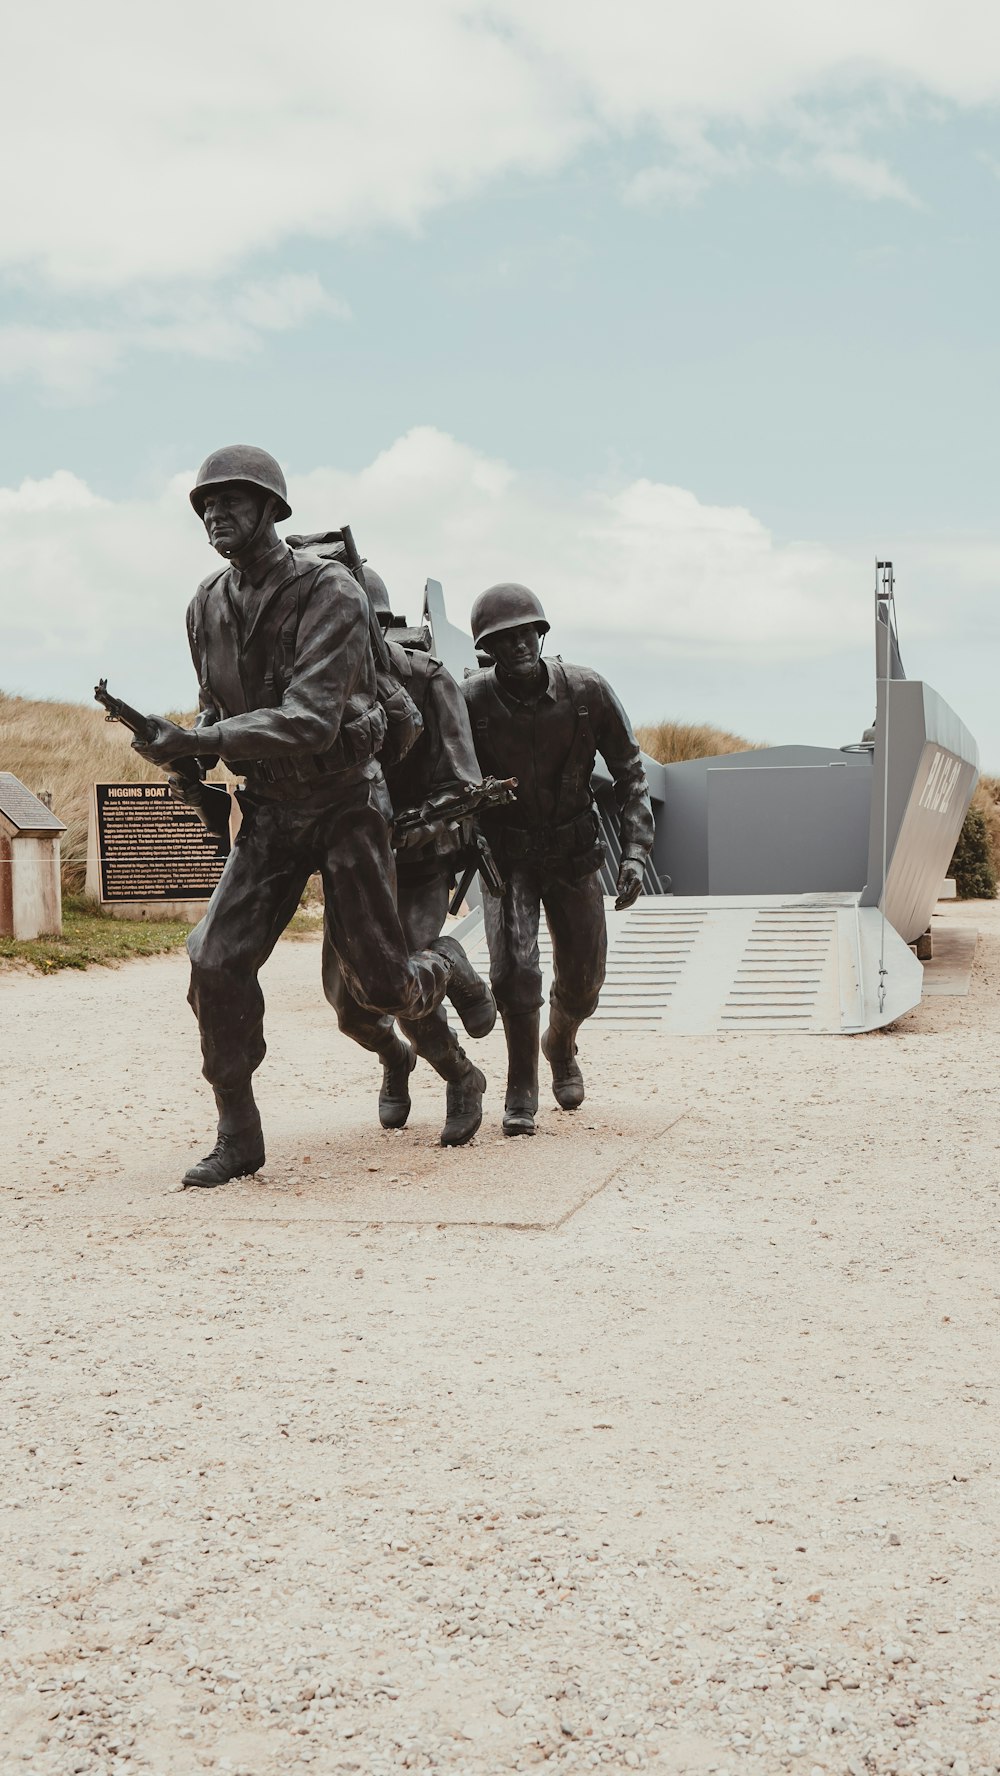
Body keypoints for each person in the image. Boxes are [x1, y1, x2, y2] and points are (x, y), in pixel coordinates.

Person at [131, 445, 493, 1186]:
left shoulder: (330, 592)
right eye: (205, 505)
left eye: (231, 501)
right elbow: (218, 705)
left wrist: (205, 737)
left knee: (381, 985)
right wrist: (184, 752)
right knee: (213, 960)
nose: (214, 515)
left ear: (271, 508)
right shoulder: (205, 603)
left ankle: (446, 972)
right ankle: (240, 1133)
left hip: (345, 804)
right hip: (270, 808)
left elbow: (311, 719)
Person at [312, 556, 493, 1146]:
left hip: (417, 859)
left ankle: (461, 1075)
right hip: (352, 867)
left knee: (401, 977)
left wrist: (411, 824)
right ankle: (395, 1058)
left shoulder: (429, 679)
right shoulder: (314, 688)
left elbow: (464, 782)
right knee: (347, 1005)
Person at [461, 584, 654, 1136]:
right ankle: (521, 1082)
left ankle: (561, 1043)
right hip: (508, 856)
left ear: (541, 634)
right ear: (488, 648)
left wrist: (636, 851)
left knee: (584, 981)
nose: (518, 645)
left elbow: (630, 774)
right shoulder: (470, 700)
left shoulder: (587, 691)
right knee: (513, 973)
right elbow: (447, 774)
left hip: (574, 854)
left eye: (526, 633)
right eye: (503, 639)